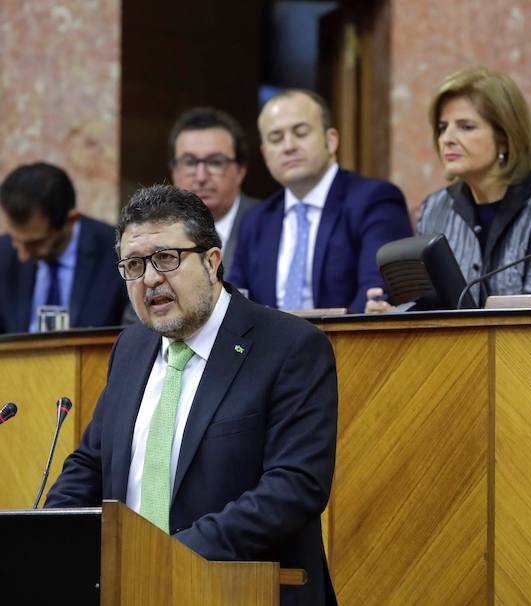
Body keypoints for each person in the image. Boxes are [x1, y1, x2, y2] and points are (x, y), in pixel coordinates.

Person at [45, 185, 338, 606]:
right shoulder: (131, 347)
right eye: (133, 265)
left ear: (212, 261)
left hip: (243, 591)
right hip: (131, 589)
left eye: (166, 258)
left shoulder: (290, 346)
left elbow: (294, 486)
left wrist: (170, 557)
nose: (149, 279)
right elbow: (92, 463)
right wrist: (55, 536)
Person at [365, 67, 531, 311]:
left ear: (504, 136)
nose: (447, 138)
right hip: (452, 348)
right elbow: (427, 309)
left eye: (466, 127)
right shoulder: (436, 208)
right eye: (442, 127)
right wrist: (395, 315)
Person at [227, 89, 412, 313]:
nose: (288, 146)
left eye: (301, 133)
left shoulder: (374, 201)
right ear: (266, 154)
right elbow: (235, 303)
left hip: (349, 345)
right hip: (271, 347)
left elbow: (375, 294)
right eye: (276, 138)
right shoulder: (256, 220)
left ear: (331, 140)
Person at [0, 162, 128, 334]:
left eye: (35, 244)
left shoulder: (115, 250)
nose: (22, 255)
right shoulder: (5, 251)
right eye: (16, 240)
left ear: (71, 220)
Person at [169, 106, 259, 274]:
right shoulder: (158, 233)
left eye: (215, 162)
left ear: (240, 170)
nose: (201, 177)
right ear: (174, 171)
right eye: (189, 163)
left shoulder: (269, 226)